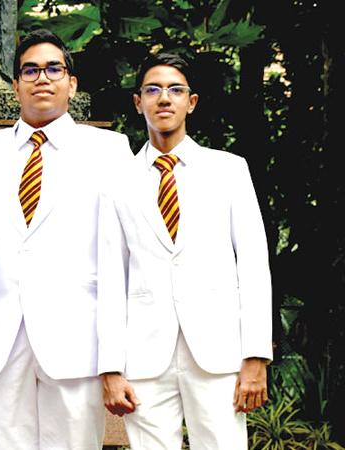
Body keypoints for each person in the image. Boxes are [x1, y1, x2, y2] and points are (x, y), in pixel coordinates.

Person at [97, 52, 272, 449]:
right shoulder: (116, 181)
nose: (164, 98)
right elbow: (111, 274)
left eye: (175, 90)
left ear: (191, 102)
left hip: (217, 352)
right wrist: (110, 368)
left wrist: (256, 356)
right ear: (137, 101)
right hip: (143, 357)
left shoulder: (229, 170)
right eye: (153, 90)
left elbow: (254, 267)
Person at [0, 29, 132, 449]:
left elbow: (124, 255)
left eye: (53, 69)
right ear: (15, 85)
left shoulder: (111, 150)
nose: (42, 78)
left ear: (71, 83)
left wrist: (116, 352)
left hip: (77, 336)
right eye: (30, 70)